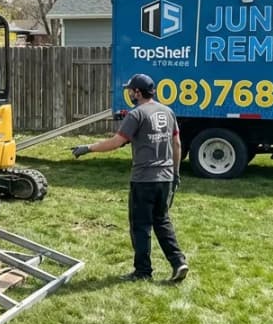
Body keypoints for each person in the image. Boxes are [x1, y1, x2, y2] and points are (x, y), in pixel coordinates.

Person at [71, 73, 188, 283]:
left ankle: (143, 271)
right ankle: (178, 262)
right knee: (162, 221)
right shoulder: (168, 111)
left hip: (144, 180)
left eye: (130, 91)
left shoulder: (136, 115)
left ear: (138, 92)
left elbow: (116, 142)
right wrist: (175, 173)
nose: (129, 94)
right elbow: (177, 144)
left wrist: (88, 148)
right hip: (165, 177)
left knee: (140, 226)